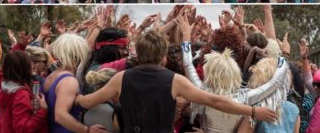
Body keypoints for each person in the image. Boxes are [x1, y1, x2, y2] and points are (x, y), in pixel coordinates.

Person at [75, 28, 277, 133]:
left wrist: (75, 98)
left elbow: (89, 101)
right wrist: (252, 111)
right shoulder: (175, 81)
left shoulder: (121, 78)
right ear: (163, 56)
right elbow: (215, 101)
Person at [42, 33, 104, 133]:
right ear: (79, 55)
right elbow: (60, 115)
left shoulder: (52, 75)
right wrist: (87, 130)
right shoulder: (69, 81)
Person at [0, 51, 48, 133]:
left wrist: (21, 46)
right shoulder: (21, 94)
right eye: (30, 63)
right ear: (24, 69)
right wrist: (42, 111)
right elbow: (22, 128)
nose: (32, 65)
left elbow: (8, 65)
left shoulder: (3, 84)